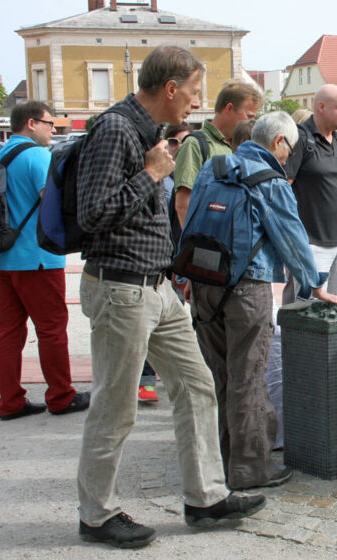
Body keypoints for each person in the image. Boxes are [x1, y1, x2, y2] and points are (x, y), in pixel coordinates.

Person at [76, 45, 265, 549]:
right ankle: (96, 514)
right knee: (116, 406)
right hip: (120, 288)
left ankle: (205, 498)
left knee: (197, 384)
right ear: (171, 88)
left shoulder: (149, 133)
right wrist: (152, 175)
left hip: (155, 287)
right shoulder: (115, 129)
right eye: (196, 91)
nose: (197, 102)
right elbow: (92, 214)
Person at [189, 111, 337, 490]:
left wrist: (184, 275)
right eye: (291, 148)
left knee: (218, 376)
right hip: (247, 287)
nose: (290, 156)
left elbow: (191, 219)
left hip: (204, 282)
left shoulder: (214, 166)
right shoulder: (272, 181)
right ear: (277, 142)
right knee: (249, 379)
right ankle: (248, 470)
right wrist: (313, 285)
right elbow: (293, 240)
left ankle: (221, 462)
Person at [0, 101, 90, 420]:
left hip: (3, 256)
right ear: (32, 123)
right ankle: (61, 396)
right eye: (50, 124)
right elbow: (50, 203)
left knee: (8, 331)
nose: (54, 130)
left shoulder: (0, 155)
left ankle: (10, 401)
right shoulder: (37, 155)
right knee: (51, 328)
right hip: (37, 258)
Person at [282, 84, 337, 303]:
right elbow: (282, 191)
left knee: (336, 311)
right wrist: (295, 242)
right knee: (307, 314)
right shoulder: (300, 138)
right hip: (311, 245)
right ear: (321, 107)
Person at [140, 122, 194, 403]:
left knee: (182, 326)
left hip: (183, 261)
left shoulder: (193, 176)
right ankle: (146, 380)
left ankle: (184, 380)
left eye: (185, 142)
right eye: (173, 142)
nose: (179, 147)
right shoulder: (160, 178)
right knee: (153, 325)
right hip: (161, 263)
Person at [173, 80, 261, 226]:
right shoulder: (195, 144)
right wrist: (196, 245)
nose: (252, 122)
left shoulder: (238, 145)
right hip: (206, 243)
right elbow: (183, 204)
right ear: (229, 108)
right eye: (249, 116)